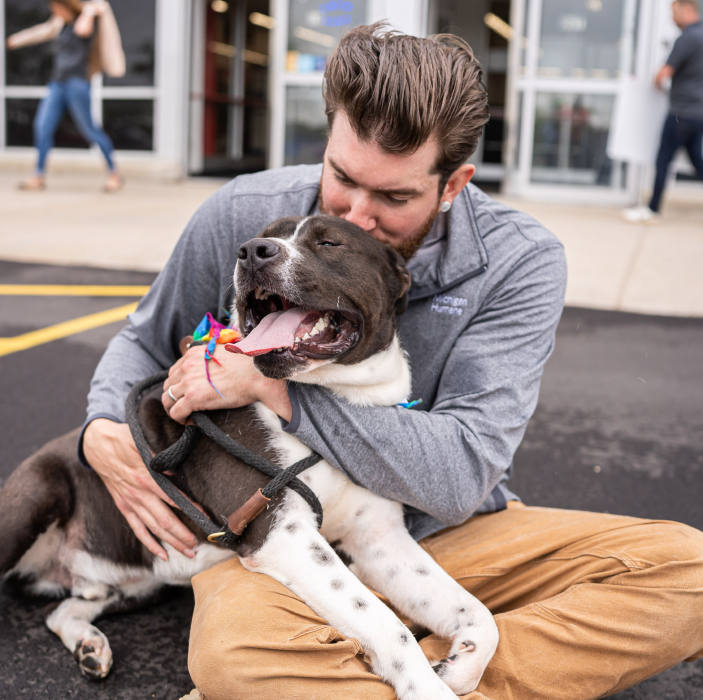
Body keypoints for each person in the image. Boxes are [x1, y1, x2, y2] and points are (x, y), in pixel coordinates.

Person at [80, 24, 703, 700]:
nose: (357, 214)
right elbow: (144, 340)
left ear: (453, 183)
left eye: (394, 197)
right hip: (281, 540)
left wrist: (276, 387)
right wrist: (101, 433)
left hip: (438, 532)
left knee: (685, 575)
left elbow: (462, 471)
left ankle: (387, 674)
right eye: (342, 178)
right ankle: (421, 672)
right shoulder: (247, 215)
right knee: (236, 656)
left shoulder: (518, 262)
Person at [6, 0, 125, 193]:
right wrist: (15, 40)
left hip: (77, 84)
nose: (53, 11)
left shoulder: (87, 21)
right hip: (57, 84)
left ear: (66, 6)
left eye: (56, 7)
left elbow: (83, 28)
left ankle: (114, 173)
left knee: (90, 131)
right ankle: (38, 175)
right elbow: (41, 31)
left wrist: (87, 11)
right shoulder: (59, 25)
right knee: (43, 127)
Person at [624, 0, 703, 223]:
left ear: (687, 8)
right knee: (697, 160)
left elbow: (661, 75)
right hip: (698, 112)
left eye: (674, 11)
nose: (672, 17)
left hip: (682, 112)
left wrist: (659, 88)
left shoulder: (687, 38)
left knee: (663, 159)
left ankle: (652, 209)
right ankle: (653, 208)